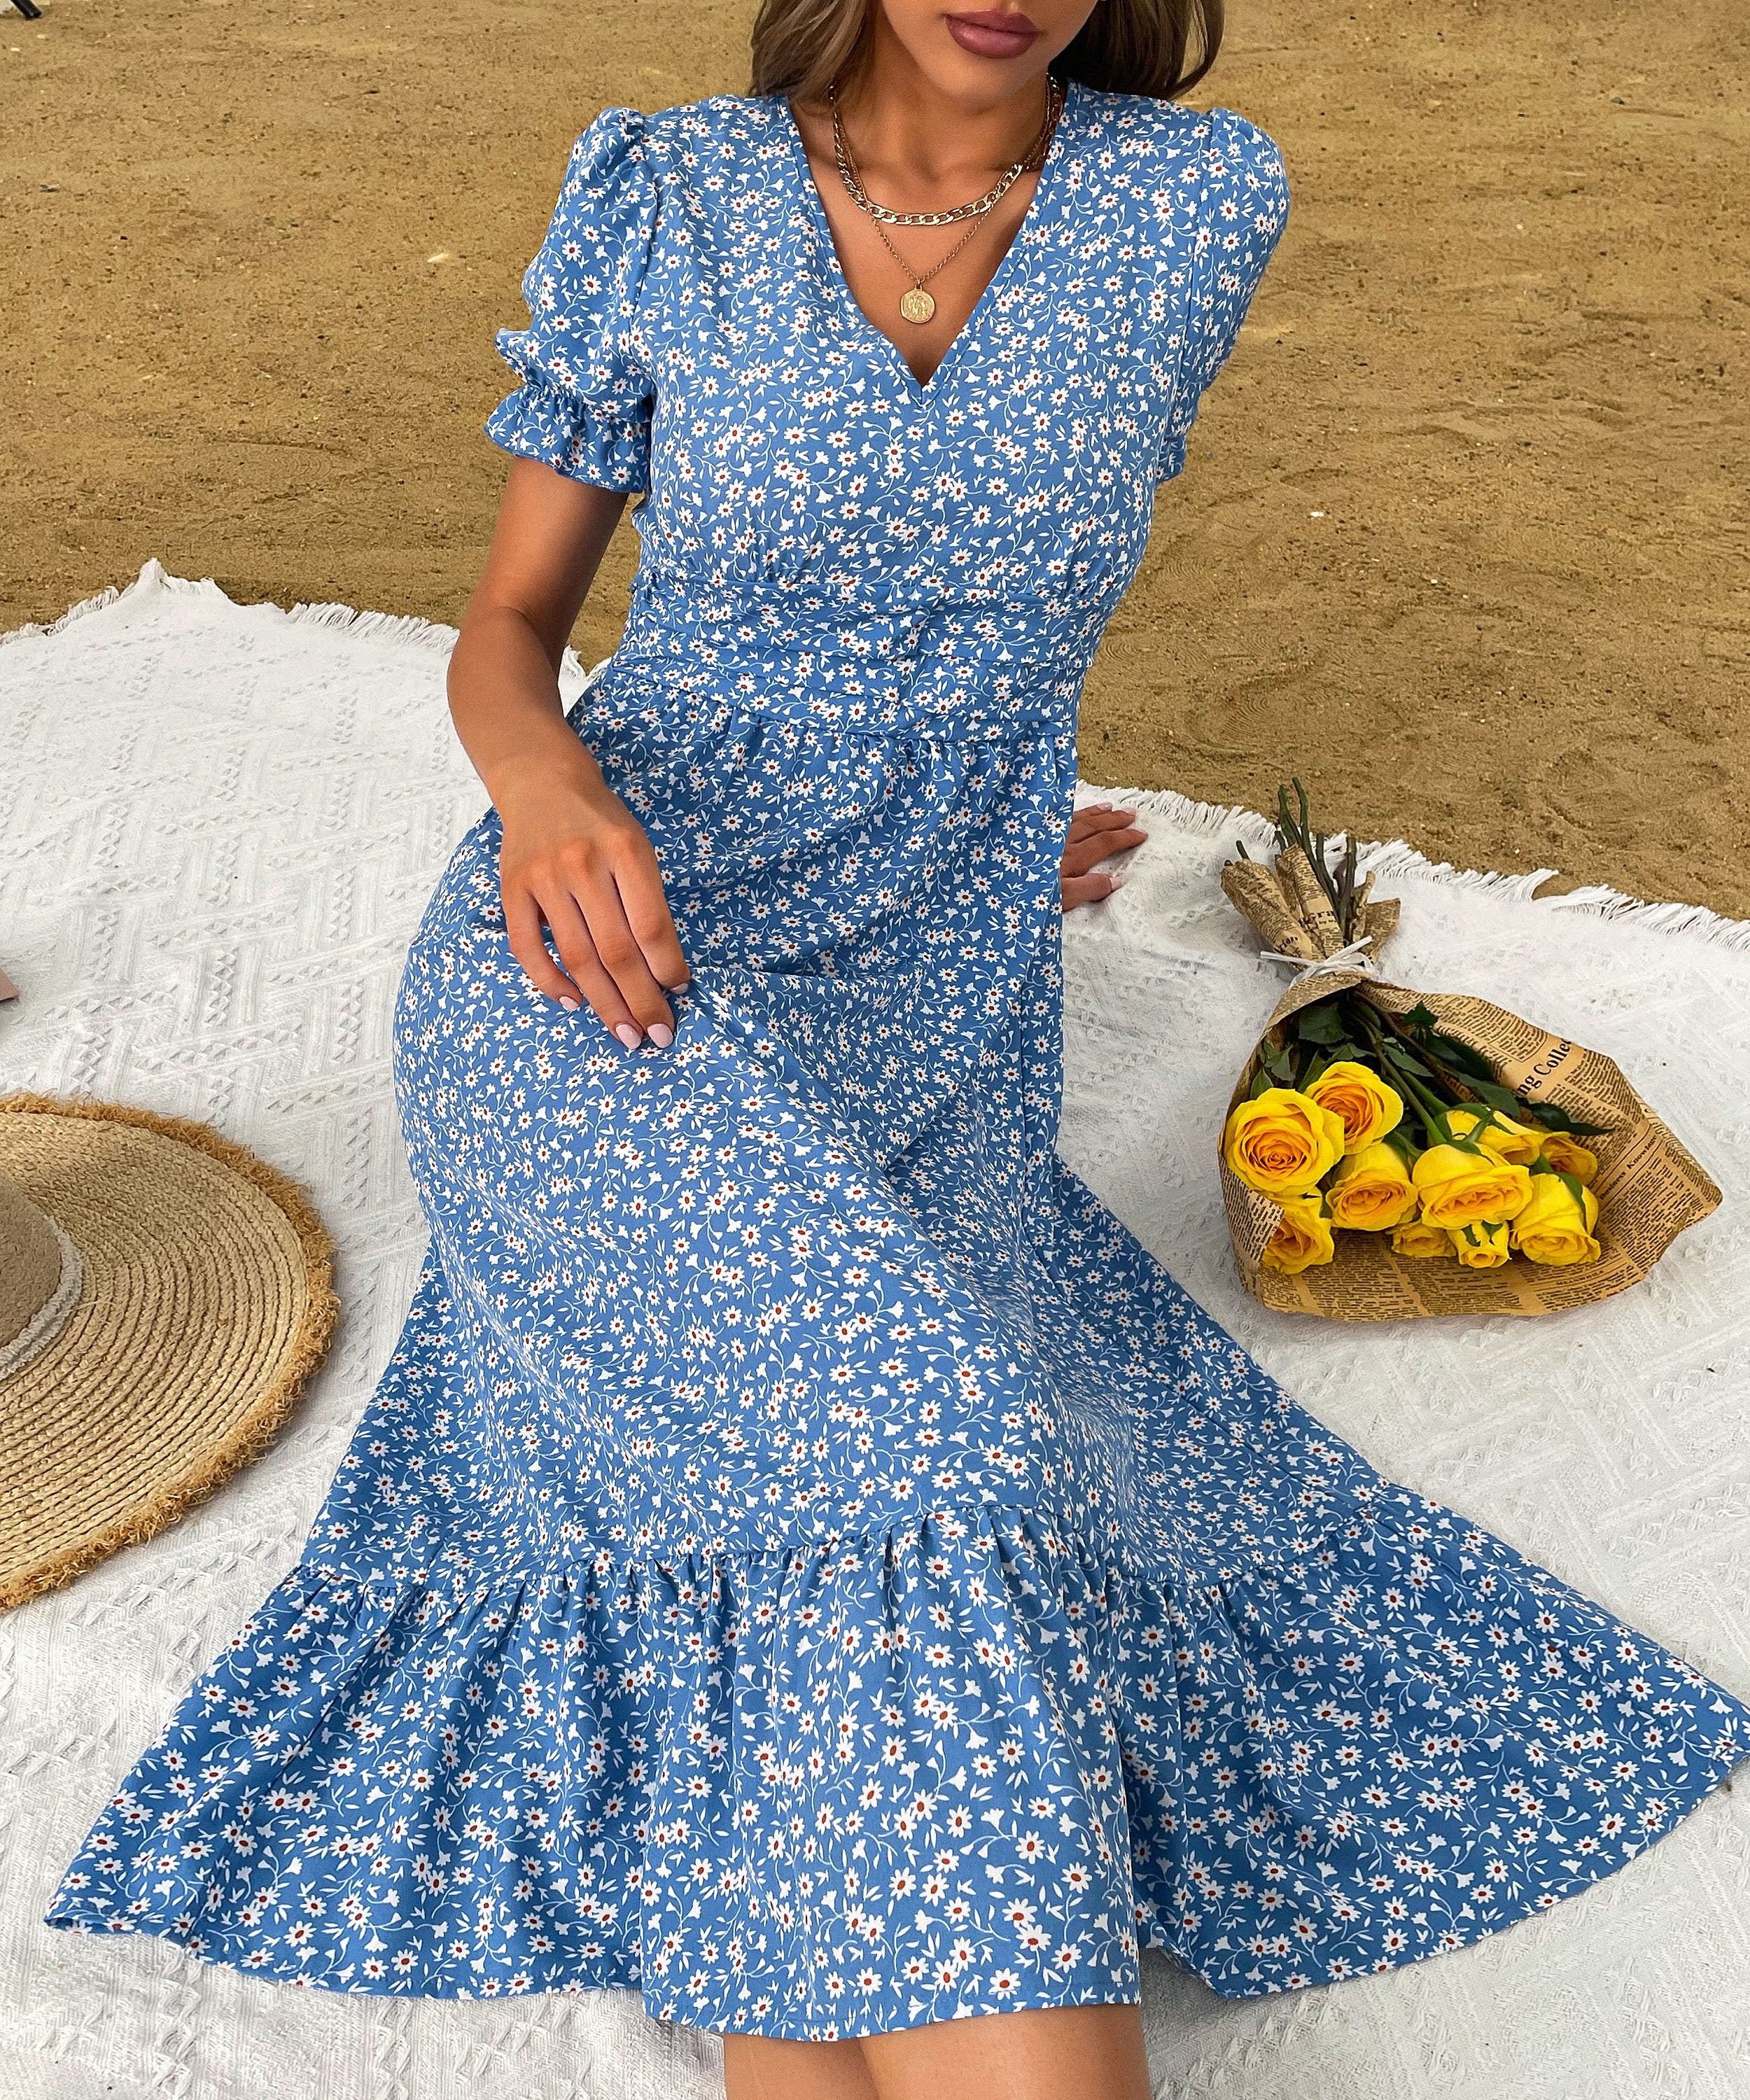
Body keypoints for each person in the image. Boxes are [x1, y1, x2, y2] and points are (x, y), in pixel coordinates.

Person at [46, 0, 1750, 2095]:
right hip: (604, 951)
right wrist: (550, 791)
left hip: (927, 976)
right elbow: (507, 630)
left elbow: (985, 583)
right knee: (939, 1451)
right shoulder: (667, 190)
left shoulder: (1193, 201)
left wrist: (965, 789)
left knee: (887, 1469)